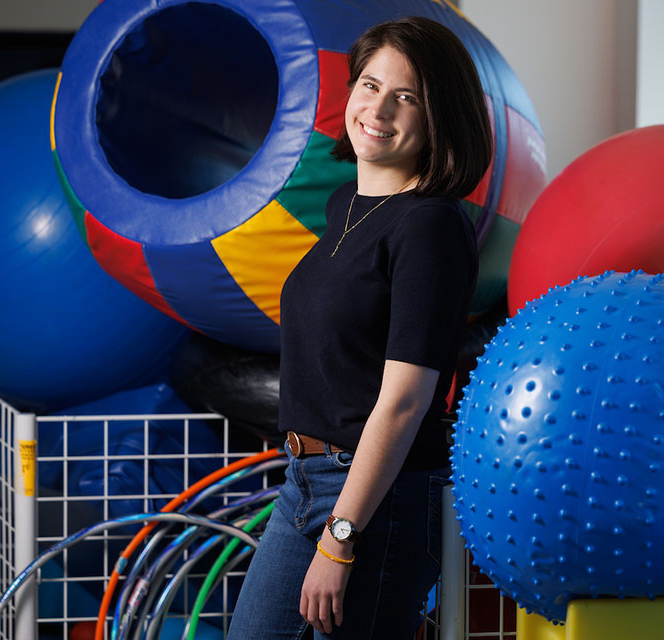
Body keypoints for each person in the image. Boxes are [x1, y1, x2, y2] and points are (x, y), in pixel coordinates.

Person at [227, 15, 492, 639]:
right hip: (305, 481)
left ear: (438, 118)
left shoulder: (429, 226)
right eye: (370, 85)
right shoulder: (345, 205)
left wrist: (341, 536)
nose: (379, 108)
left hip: (376, 498)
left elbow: (403, 401)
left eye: (407, 97)